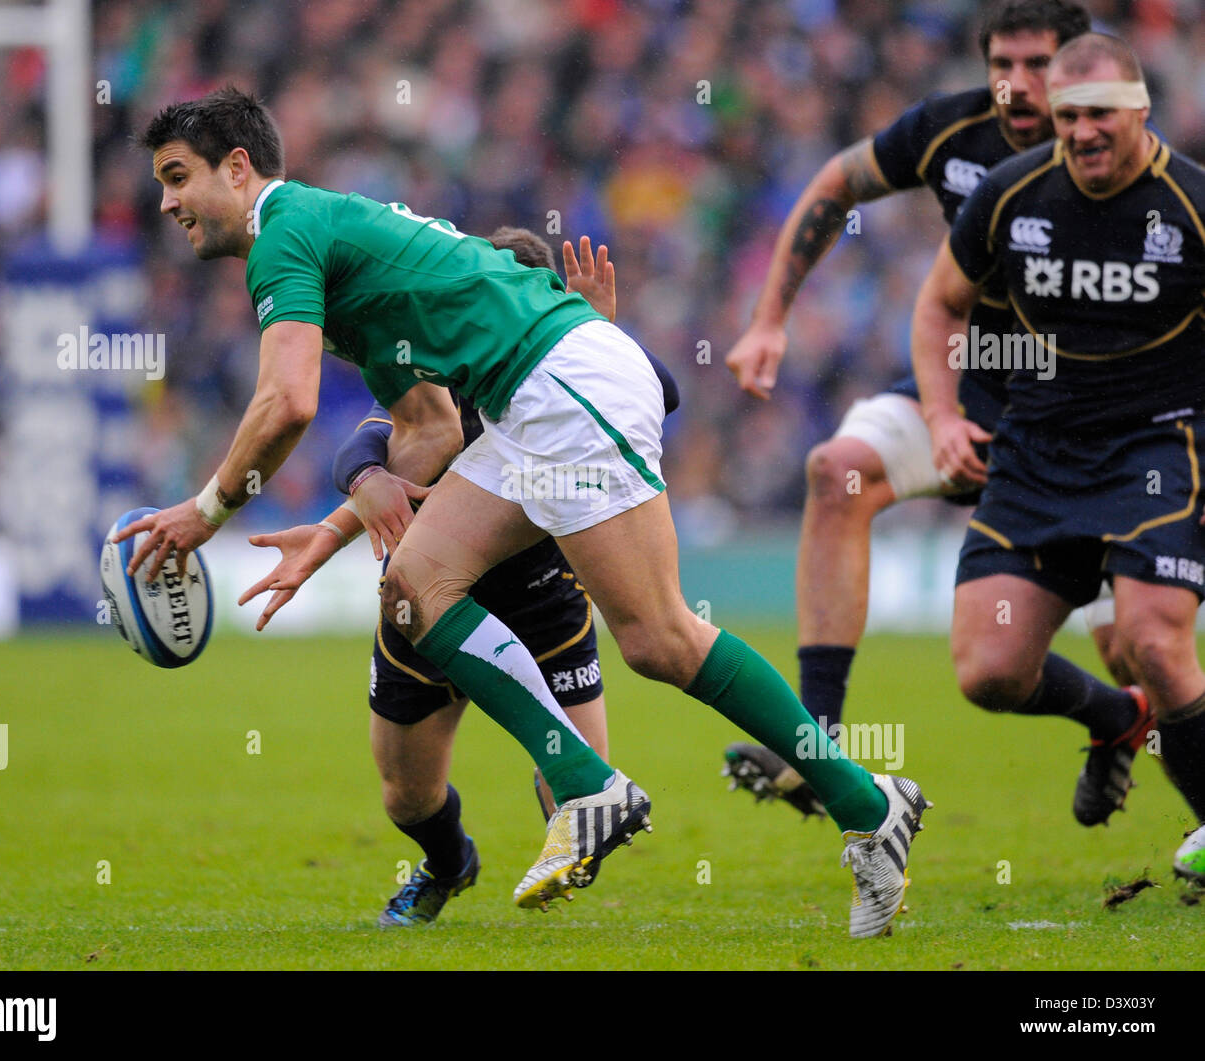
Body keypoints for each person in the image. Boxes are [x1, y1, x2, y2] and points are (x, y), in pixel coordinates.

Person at [119, 87, 929, 937]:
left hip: (562, 383)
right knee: (417, 584)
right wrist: (332, 529)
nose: (167, 202)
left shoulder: (283, 233)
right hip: (533, 398)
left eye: (178, 177)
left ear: (239, 169)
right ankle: (597, 788)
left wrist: (204, 512)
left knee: (660, 638)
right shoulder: (333, 244)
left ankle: (863, 803)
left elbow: (287, 400)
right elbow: (428, 429)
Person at [721, 0, 1113, 821]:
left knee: (1129, 640)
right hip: (967, 387)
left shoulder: (1116, 154)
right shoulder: (949, 130)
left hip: (1088, 415)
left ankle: (1127, 731)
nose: (1015, 84)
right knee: (836, 470)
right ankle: (817, 740)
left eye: (1037, 65)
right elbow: (839, 182)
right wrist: (768, 319)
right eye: (1002, 64)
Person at [239, 228, 679, 925]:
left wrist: (596, 334)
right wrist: (364, 477)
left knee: (580, 790)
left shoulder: (561, 377)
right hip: (425, 603)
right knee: (405, 797)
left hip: (540, 602)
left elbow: (662, 388)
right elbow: (372, 433)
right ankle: (449, 864)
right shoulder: (441, 365)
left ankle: (572, 815)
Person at [911, 31, 1205, 877]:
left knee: (1153, 634)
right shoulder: (1010, 195)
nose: (1082, 131)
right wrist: (940, 417)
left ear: (1142, 112)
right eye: (1070, 115)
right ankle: (1115, 716)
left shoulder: (1190, 206)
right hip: (1036, 458)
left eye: (1102, 114)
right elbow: (939, 307)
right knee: (989, 670)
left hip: (1157, 447)